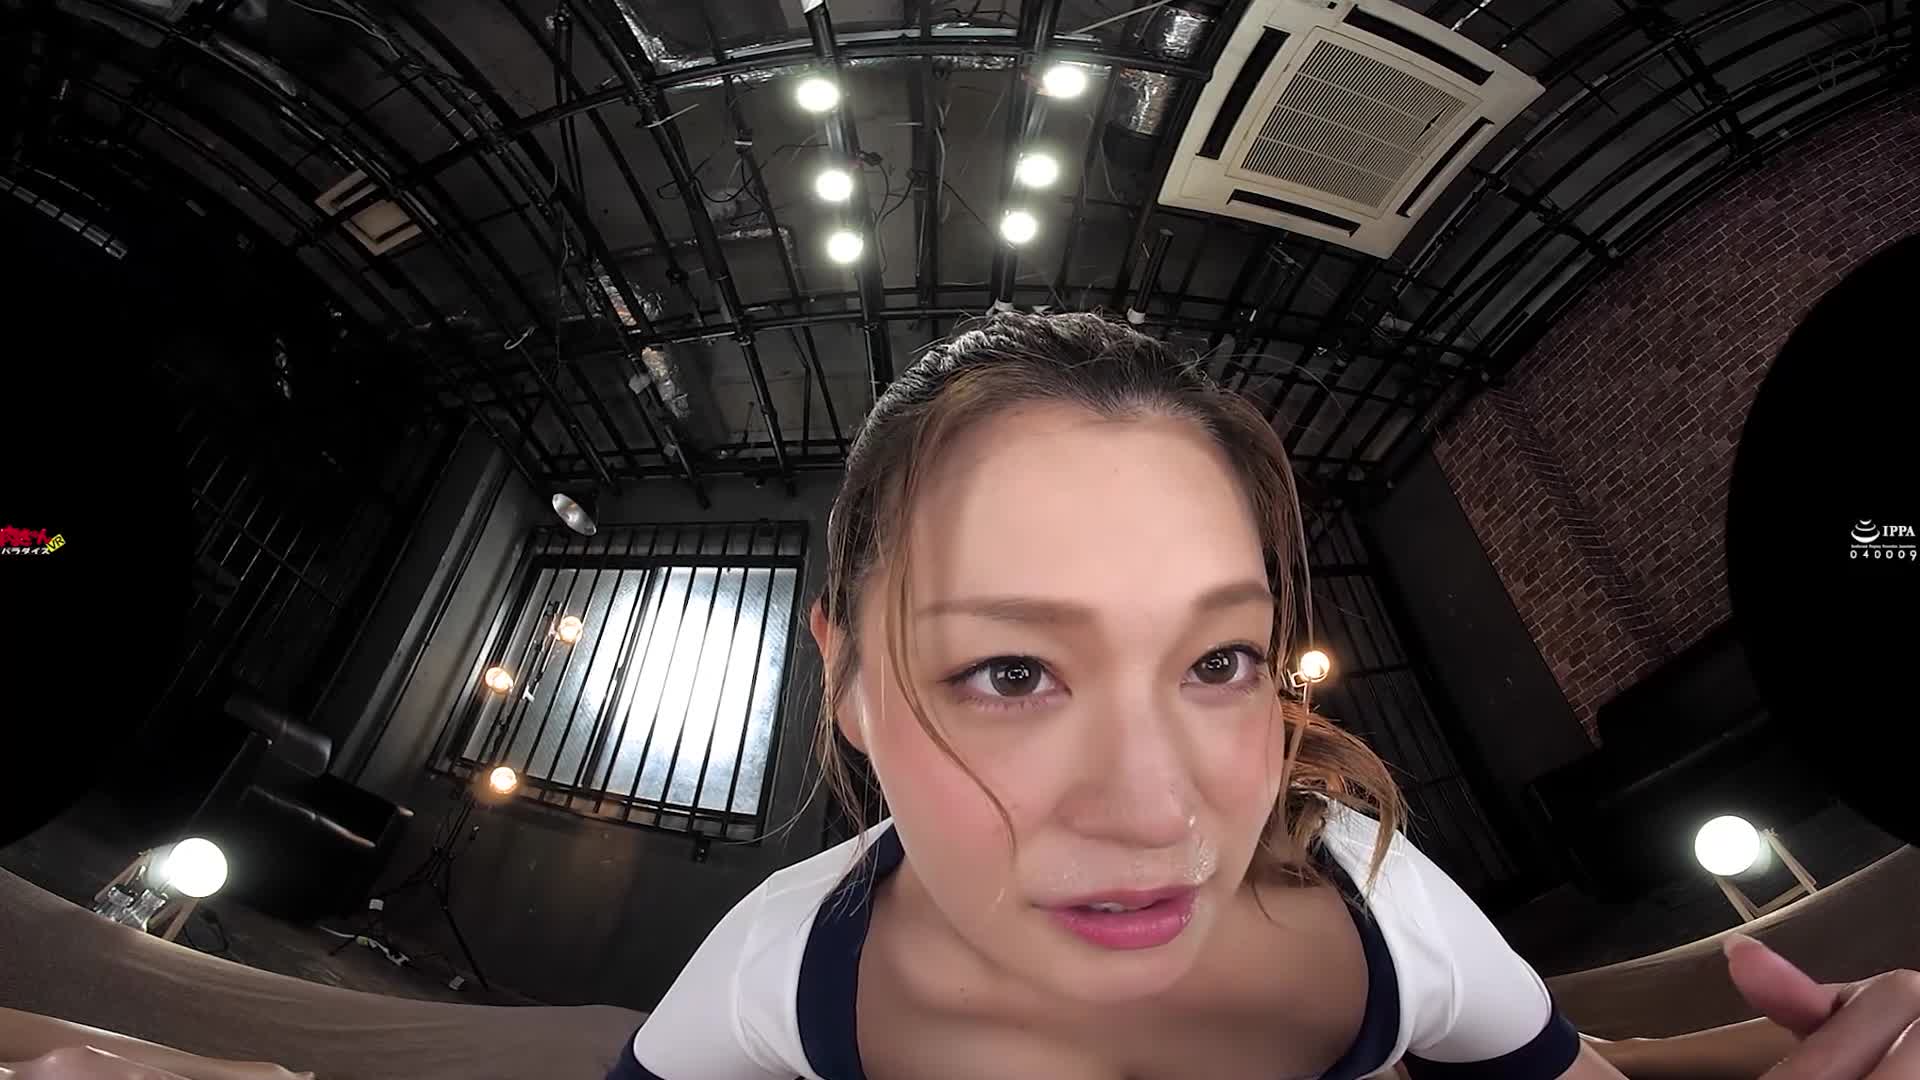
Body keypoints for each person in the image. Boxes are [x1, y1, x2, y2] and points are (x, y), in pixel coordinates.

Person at [607, 313, 1919, 1080]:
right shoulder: (781, 966)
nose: (1154, 811)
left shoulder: (1382, 901)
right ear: (844, 677)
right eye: (1010, 673)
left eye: (1217, 662)